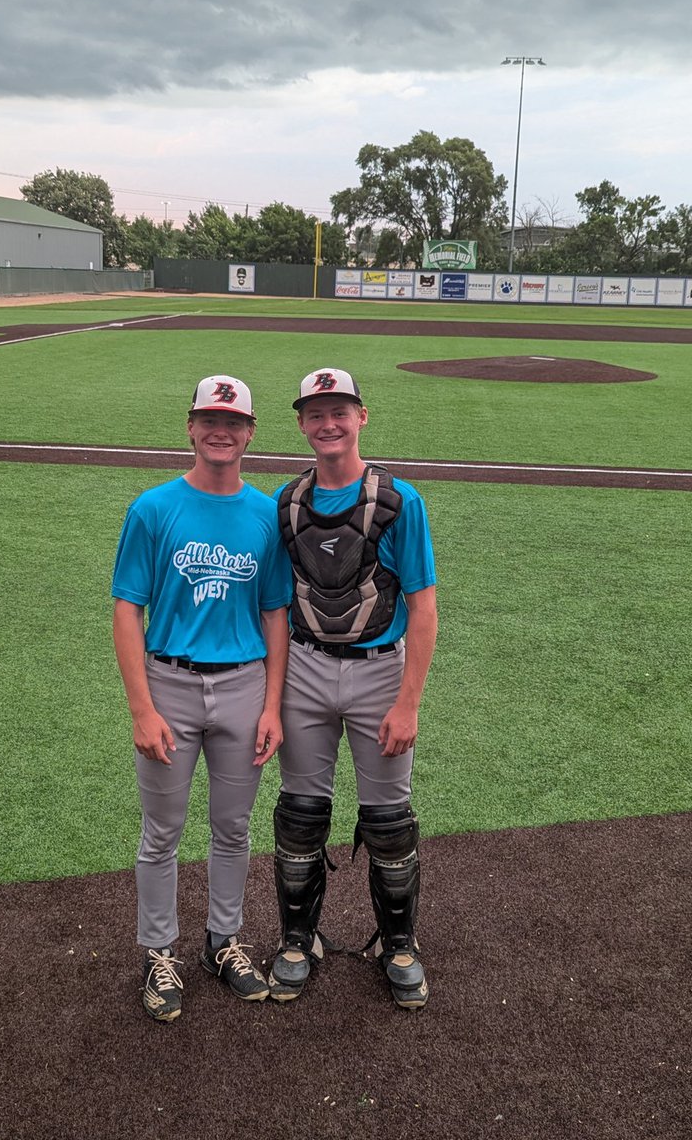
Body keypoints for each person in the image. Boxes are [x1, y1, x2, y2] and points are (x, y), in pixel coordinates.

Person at [112, 375, 291, 1023]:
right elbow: (128, 610)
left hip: (244, 686)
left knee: (233, 827)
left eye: (233, 421)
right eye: (208, 418)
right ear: (189, 427)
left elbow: (275, 613)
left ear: (248, 433)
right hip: (170, 685)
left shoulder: (266, 513)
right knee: (160, 832)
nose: (221, 430)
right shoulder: (153, 509)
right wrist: (141, 707)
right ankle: (159, 951)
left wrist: (272, 705)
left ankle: (223, 941)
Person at [269, 369, 438, 1010]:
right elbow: (280, 607)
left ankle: (398, 945)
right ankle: (297, 939)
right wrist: (272, 697)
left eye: (339, 411)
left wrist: (408, 701)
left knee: (390, 821)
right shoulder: (287, 504)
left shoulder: (398, 502)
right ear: (302, 423)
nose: (328, 423)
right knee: (300, 814)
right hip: (307, 670)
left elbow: (423, 607)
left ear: (361, 417)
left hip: (377, 673)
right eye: (316, 413)